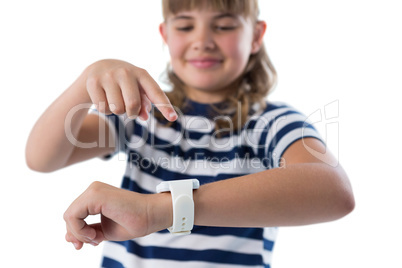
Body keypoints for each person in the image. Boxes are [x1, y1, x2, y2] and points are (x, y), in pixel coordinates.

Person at [26, 0, 355, 267]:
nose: (202, 40)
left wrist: (161, 210)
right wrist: (85, 82)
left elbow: (334, 190)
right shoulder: (140, 115)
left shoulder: (272, 122)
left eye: (224, 25)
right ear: (165, 35)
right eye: (185, 25)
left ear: (256, 36)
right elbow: (41, 157)